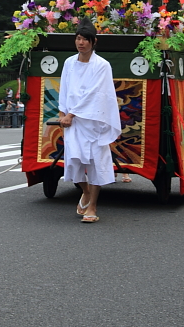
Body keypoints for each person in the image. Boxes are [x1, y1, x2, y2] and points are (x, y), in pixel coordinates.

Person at [58, 18, 121, 223]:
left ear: (94, 42)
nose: (81, 42)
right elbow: (65, 89)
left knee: (96, 163)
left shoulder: (102, 65)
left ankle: (92, 206)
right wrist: (62, 113)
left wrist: (71, 114)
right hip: (72, 122)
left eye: (85, 39)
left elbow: (95, 94)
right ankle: (84, 191)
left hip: (94, 121)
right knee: (73, 163)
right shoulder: (69, 62)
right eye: (78, 38)